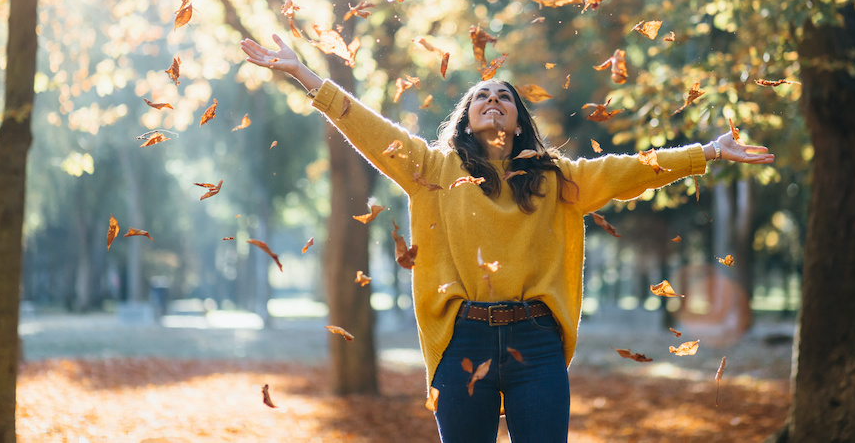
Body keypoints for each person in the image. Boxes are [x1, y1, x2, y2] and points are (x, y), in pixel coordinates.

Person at [241, 34, 775, 443]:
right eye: (481, 96)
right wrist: (305, 75)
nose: (493, 99)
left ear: (518, 121)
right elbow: (368, 128)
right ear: (467, 118)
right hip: (462, 341)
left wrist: (706, 152)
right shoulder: (432, 169)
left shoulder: (555, 178)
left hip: (536, 344)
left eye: (504, 96)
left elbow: (630, 169)